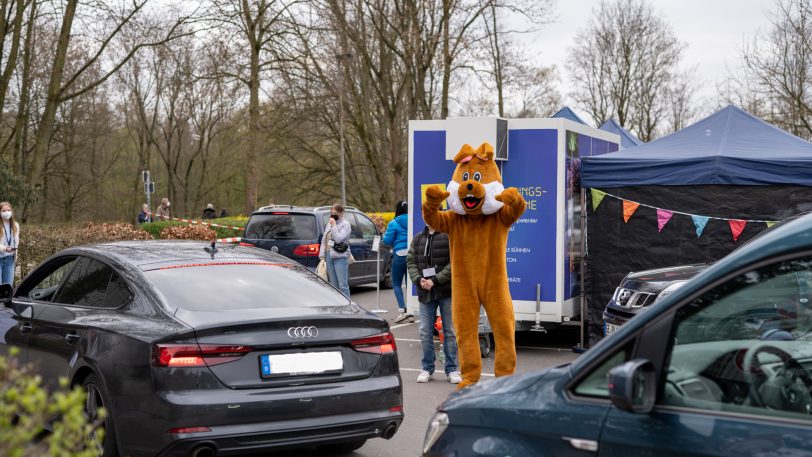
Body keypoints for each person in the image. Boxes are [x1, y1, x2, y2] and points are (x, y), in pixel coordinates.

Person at [407, 223, 460, 384]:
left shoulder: (449, 235)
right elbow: (410, 262)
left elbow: (455, 263)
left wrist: (435, 281)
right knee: (424, 331)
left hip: (446, 292)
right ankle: (427, 368)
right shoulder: (418, 238)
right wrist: (418, 279)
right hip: (425, 293)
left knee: (449, 331)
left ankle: (451, 369)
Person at [384, 200, 412, 323]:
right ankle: (411, 311)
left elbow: (387, 241)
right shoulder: (412, 220)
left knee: (396, 283)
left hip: (399, 254)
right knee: (410, 284)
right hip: (412, 253)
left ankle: (403, 310)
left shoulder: (393, 223)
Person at [319, 203, 351, 297]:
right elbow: (324, 240)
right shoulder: (329, 224)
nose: (333, 215)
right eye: (331, 213)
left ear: (341, 214)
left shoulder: (346, 225)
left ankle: (348, 307)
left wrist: (334, 225)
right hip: (329, 255)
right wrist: (322, 255)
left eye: (335, 213)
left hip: (340, 256)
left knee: (343, 285)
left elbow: (338, 239)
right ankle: (338, 307)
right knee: (333, 285)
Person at [0, 202, 20, 286]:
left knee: (7, 289)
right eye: (4, 210)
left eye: (8, 210)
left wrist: (13, 249)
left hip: (9, 260)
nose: (7, 212)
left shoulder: (16, 225)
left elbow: (16, 241)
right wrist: (4, 248)